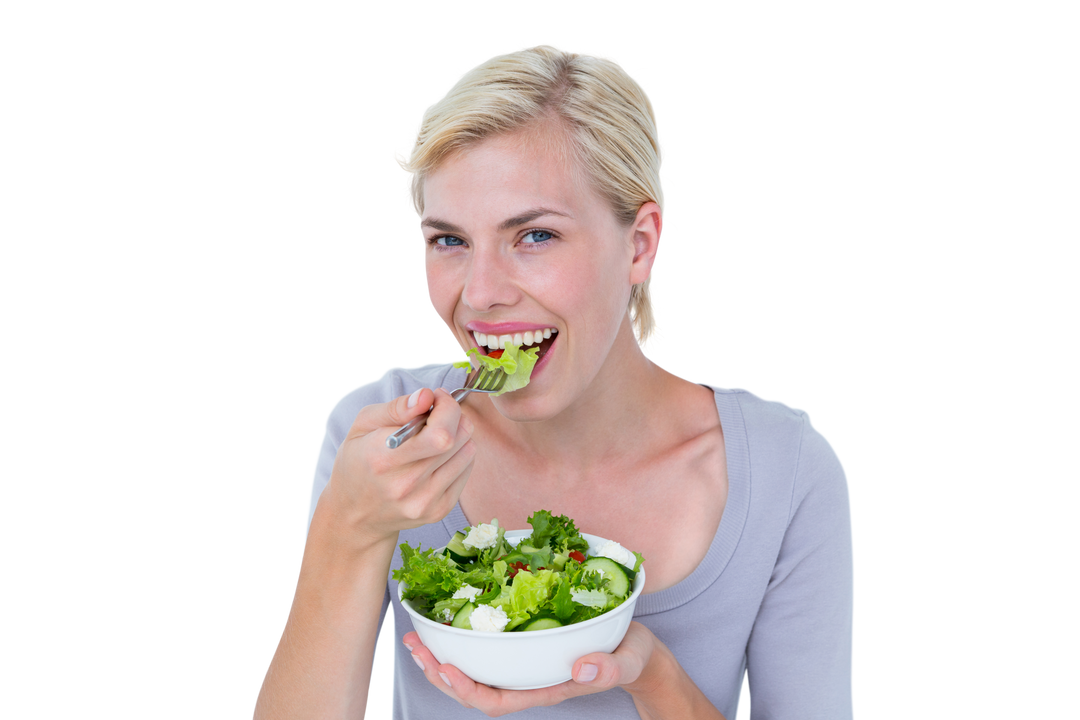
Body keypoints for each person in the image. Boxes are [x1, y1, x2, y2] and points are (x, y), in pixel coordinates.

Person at [253, 41, 855, 719]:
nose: (479, 296)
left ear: (639, 244)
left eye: (534, 236)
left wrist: (651, 674)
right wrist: (349, 529)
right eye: (449, 240)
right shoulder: (380, 432)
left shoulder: (787, 470)